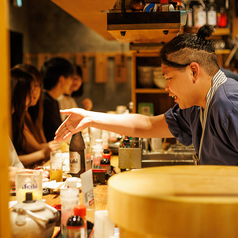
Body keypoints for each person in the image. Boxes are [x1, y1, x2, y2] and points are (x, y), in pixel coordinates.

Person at [54, 25, 238, 165]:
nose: (166, 87)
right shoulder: (197, 106)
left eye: (169, 78)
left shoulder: (228, 103)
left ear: (193, 72)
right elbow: (147, 125)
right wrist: (90, 117)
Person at [11, 68, 58, 168]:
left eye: (38, 86)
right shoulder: (11, 120)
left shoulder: (29, 113)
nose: (33, 95)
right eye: (30, 91)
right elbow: (12, 162)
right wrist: (43, 153)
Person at [41, 57, 74, 142]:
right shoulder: (44, 102)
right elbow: (54, 134)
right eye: (70, 78)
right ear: (62, 79)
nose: (72, 82)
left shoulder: (52, 100)